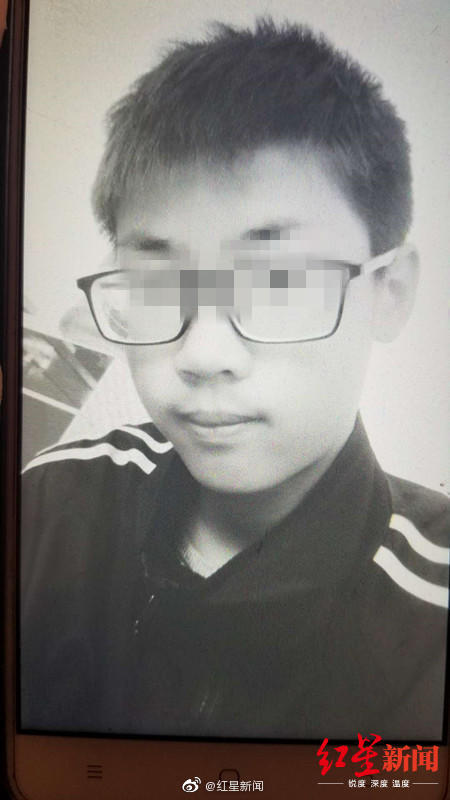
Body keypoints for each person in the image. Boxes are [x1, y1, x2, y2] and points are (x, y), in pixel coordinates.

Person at [21, 18, 449, 740]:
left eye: (276, 282)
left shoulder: (430, 610)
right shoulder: (54, 506)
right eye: (158, 285)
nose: (203, 353)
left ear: (389, 291)